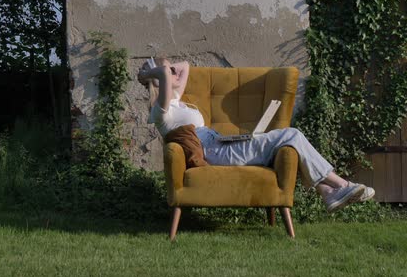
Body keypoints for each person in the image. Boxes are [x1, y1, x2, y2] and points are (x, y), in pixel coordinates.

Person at [137, 59, 375, 212]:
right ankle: (340, 184)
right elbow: (169, 78)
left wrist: (162, 69)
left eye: (167, 69)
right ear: (157, 83)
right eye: (165, 70)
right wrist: (152, 74)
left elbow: (185, 65)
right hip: (214, 150)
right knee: (291, 134)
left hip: (218, 142)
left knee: (286, 142)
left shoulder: (177, 101)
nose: (170, 71)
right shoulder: (161, 113)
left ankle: (326, 191)